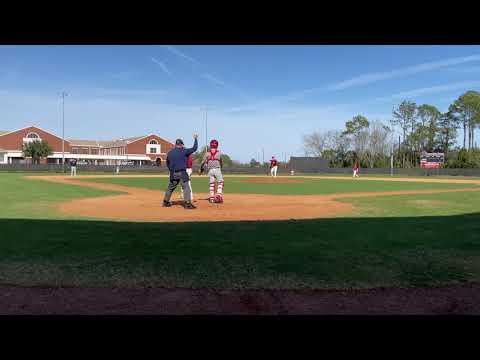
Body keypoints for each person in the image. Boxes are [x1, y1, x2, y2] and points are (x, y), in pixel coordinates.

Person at [163, 134, 198, 209]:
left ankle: (165, 202)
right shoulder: (184, 151)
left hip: (173, 173)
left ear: (175, 145)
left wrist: (171, 170)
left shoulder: (170, 152)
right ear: (181, 144)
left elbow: (167, 163)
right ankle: (187, 204)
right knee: (186, 188)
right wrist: (195, 139)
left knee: (170, 188)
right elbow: (194, 148)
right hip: (182, 172)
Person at [201, 139, 224, 203]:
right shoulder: (219, 153)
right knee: (221, 182)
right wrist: (221, 168)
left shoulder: (207, 153)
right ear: (217, 145)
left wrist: (201, 170)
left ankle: (212, 198)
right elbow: (221, 162)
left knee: (212, 184)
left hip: (210, 170)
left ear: (210, 145)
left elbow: (202, 163)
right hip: (217, 169)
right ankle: (218, 195)